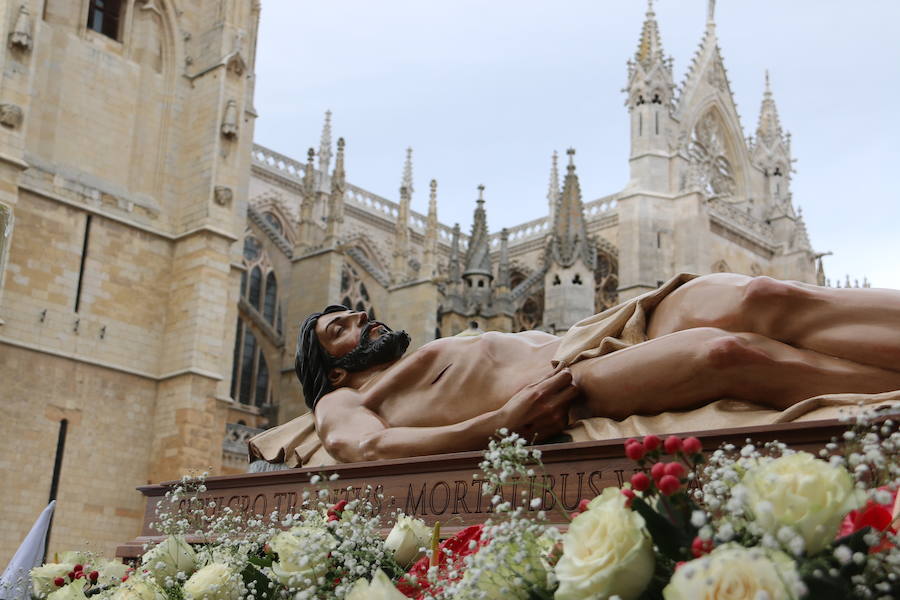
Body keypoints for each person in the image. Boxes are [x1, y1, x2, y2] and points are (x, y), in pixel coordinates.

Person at [295, 273, 900, 463]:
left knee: (763, 295)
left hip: (597, 331)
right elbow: (366, 449)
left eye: (356, 312)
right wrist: (500, 425)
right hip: (568, 385)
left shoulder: (426, 355)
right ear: (334, 372)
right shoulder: (341, 402)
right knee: (727, 353)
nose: (360, 318)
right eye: (338, 329)